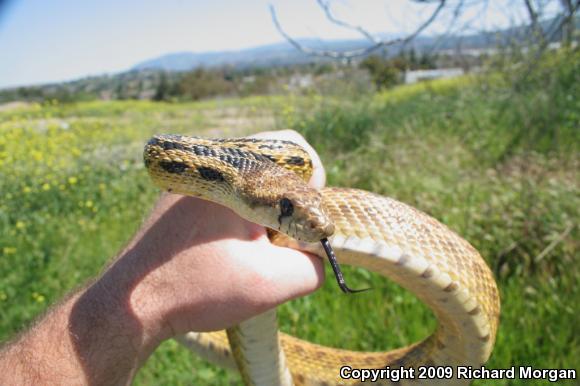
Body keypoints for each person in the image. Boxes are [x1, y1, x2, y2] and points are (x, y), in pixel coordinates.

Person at [0, 130, 326, 385]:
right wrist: (155, 294)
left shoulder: (262, 180)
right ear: (245, 193)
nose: (316, 224)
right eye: (285, 209)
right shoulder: (182, 159)